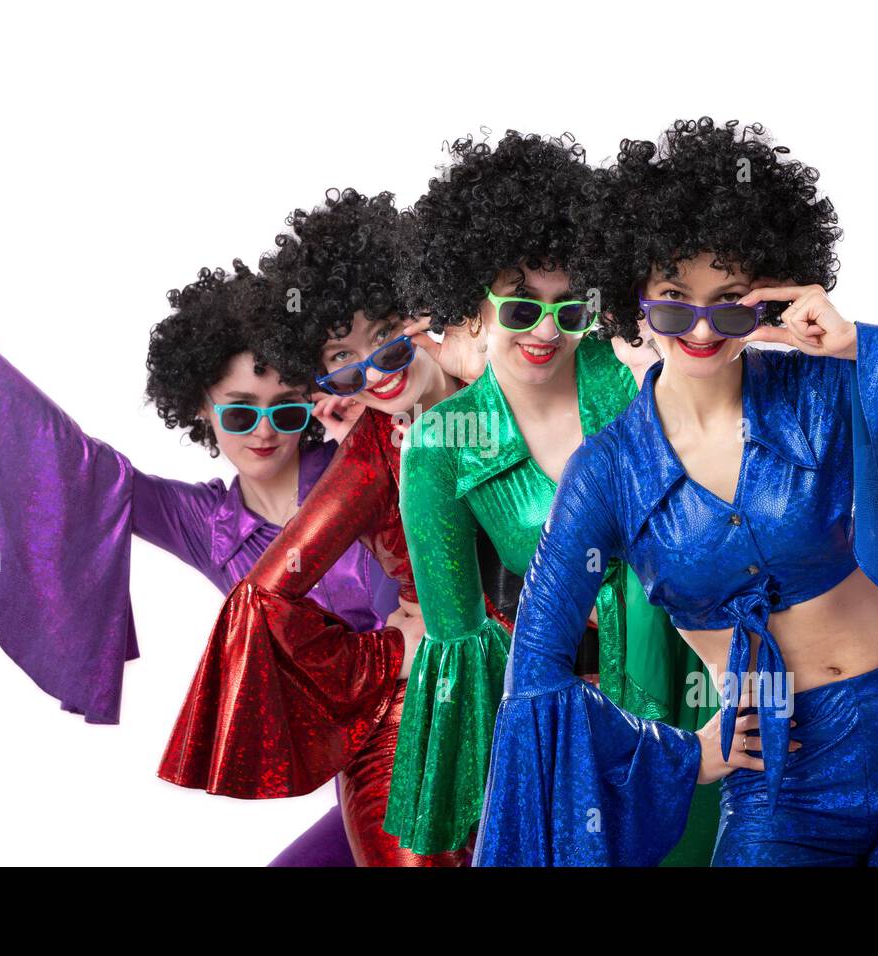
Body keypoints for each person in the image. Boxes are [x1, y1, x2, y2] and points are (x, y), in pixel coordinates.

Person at [475, 118, 878, 866]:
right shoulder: (605, 474)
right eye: (674, 300)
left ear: (763, 299)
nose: (701, 329)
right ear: (635, 295)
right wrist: (680, 756)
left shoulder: (825, 390)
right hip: (777, 777)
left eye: (729, 302)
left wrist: (857, 343)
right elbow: (534, 678)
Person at [0, 238, 397, 866]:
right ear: (202, 405)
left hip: (450, 719)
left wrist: (375, 415)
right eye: (240, 412)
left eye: (285, 409)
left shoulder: (364, 459)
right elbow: (78, 465)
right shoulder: (206, 524)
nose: (265, 433)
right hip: (360, 765)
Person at [383, 130, 719, 864]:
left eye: (569, 310)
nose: (545, 331)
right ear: (473, 304)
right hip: (579, 728)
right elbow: (461, 648)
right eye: (520, 308)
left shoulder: (635, 375)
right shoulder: (439, 446)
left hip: (699, 684)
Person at [156, 188, 482, 865]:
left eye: (387, 335)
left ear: (423, 312)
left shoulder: (515, 395)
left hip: (546, 694)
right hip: (415, 721)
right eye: (342, 353)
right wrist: (385, 659)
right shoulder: (368, 456)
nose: (375, 367)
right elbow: (263, 599)